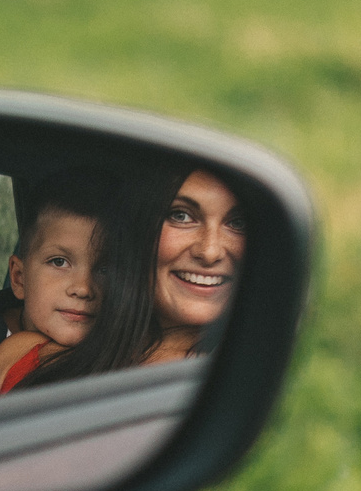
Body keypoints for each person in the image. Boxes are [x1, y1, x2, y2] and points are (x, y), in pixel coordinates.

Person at [22, 163, 246, 388]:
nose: (209, 252)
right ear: (137, 232)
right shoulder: (24, 356)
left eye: (238, 223)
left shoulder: (245, 374)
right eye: (181, 216)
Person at [0, 169, 113, 400]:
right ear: (19, 278)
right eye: (59, 262)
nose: (83, 288)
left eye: (103, 269)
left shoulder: (124, 358)